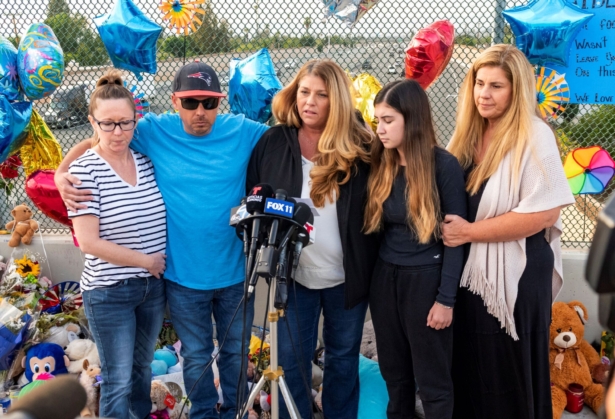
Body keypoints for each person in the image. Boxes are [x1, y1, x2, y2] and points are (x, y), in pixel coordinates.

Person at [56, 62, 269, 419]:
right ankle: (203, 413)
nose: (200, 112)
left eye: (209, 102)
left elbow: (291, 136)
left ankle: (236, 412)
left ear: (221, 102)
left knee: (234, 352)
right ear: (174, 101)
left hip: (234, 271)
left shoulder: (243, 130)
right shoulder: (155, 130)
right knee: (196, 355)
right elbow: (100, 137)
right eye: (190, 103)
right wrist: (63, 172)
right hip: (182, 277)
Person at [442, 44, 575, 418]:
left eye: (496, 86)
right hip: (470, 276)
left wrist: (469, 233)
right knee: (472, 368)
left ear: (517, 90)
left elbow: (543, 214)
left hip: (516, 278)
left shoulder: (534, 134)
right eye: (479, 83)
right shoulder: (467, 135)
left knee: (509, 371)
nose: (483, 94)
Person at [246, 59, 379, 419]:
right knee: (290, 361)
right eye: (304, 92)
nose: (310, 101)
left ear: (335, 100)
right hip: (295, 278)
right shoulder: (273, 141)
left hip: (347, 278)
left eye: (321, 95)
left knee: (342, 360)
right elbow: (253, 196)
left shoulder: (361, 144)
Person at [363, 79, 467, 419]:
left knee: (433, 382)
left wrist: (445, 299)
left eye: (388, 120)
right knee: (396, 378)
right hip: (385, 281)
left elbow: (455, 238)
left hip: (426, 282)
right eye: (378, 120)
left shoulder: (444, 166)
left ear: (413, 118)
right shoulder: (382, 163)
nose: (380, 128)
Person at [67, 69, 167, 419]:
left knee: (142, 369)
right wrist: (147, 262)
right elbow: (89, 243)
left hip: (150, 291)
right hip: (110, 292)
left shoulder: (144, 162)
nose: (118, 132)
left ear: (135, 120)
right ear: (92, 122)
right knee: (118, 379)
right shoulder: (84, 172)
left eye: (125, 123)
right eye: (107, 124)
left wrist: (150, 271)